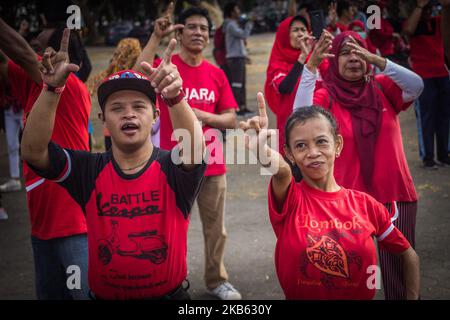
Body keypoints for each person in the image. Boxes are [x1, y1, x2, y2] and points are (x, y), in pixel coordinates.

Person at [21, 29, 207, 299]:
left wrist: (175, 97)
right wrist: (50, 90)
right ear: (103, 120)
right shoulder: (89, 169)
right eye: (117, 108)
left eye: (138, 107)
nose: (128, 113)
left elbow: (195, 151)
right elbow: (33, 152)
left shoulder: (171, 168)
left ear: (155, 116)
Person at [239, 95, 420, 300]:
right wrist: (261, 150)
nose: (313, 152)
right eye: (301, 146)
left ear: (338, 144)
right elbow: (281, 171)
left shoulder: (367, 205)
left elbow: (409, 255)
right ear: (289, 154)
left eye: (321, 141)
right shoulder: (291, 198)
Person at [293, 31, 424, 300]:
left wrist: (378, 60)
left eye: (358, 51)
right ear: (334, 61)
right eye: (345, 52)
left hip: (393, 193)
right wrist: (310, 68)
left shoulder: (383, 87)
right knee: (344, 275)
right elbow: (298, 117)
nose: (354, 57)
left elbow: (417, 85)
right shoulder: (326, 95)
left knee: (397, 273)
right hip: (345, 204)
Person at [134, 6, 241, 300]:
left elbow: (231, 119)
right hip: (173, 164)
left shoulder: (217, 74)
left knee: (216, 229)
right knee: (165, 228)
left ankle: (217, 280)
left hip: (213, 165)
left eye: (203, 29)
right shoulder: (166, 66)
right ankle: (165, 280)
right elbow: (138, 72)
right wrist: (156, 36)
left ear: (209, 36)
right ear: (179, 34)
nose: (198, 32)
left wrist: (199, 115)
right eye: (191, 27)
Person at [0, 19, 90, 299]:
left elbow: (21, 53)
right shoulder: (32, 89)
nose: (35, 52)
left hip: (74, 224)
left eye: (41, 48)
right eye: (35, 47)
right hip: (41, 225)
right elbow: (7, 58)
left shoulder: (70, 88)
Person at [403, 0, 450, 168]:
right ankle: (428, 157)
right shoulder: (411, 22)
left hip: (442, 73)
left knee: (445, 116)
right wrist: (420, 6)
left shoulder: (438, 21)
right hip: (422, 77)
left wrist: (445, 7)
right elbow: (408, 30)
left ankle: (444, 154)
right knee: (426, 117)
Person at [264, 15, 313, 154]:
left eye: (304, 30)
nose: (301, 34)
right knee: (291, 171)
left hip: (317, 124)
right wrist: (302, 58)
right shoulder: (277, 62)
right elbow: (285, 88)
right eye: (295, 30)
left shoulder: (315, 58)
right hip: (291, 126)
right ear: (285, 35)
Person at [86, 38, 143, 150]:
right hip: (134, 129)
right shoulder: (139, 73)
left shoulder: (111, 71)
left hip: (111, 129)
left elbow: (88, 88)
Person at [223, 2, 253, 115]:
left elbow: (240, 43)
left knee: (241, 84)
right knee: (237, 84)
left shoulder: (232, 24)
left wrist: (245, 56)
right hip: (235, 59)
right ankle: (237, 109)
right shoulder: (231, 25)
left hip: (238, 58)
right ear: (232, 12)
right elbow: (244, 35)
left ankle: (243, 107)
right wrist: (249, 24)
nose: (239, 12)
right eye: (237, 10)